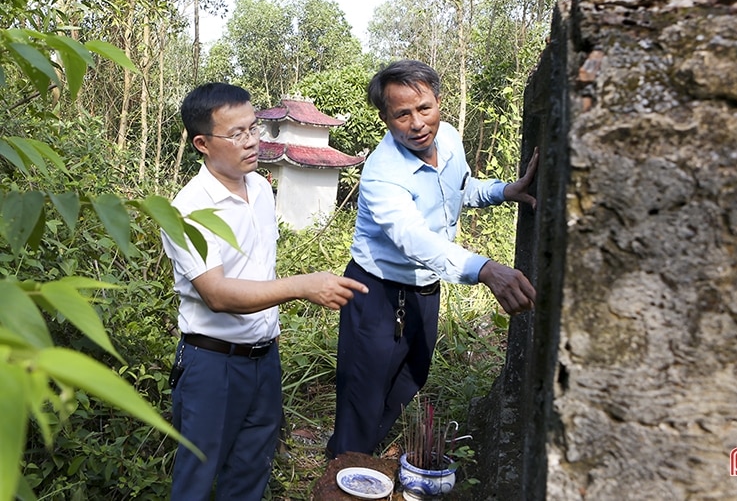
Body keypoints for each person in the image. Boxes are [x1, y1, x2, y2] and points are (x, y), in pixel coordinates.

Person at [161, 82, 368, 500]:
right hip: (212, 365)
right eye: (237, 134)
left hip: (264, 361)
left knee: (251, 473)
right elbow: (216, 293)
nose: (252, 141)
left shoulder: (258, 188)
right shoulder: (188, 209)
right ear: (202, 143)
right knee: (196, 481)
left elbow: (255, 273)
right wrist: (302, 286)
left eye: (255, 128)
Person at [326, 60, 538, 458]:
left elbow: (457, 190)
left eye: (424, 108)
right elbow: (412, 238)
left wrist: (504, 190)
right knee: (363, 391)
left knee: (411, 377)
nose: (417, 123)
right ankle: (345, 468)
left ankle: (360, 452)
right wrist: (485, 268)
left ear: (438, 101)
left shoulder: (452, 140)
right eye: (402, 114)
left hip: (424, 288)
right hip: (376, 292)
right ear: (386, 119)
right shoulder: (382, 173)